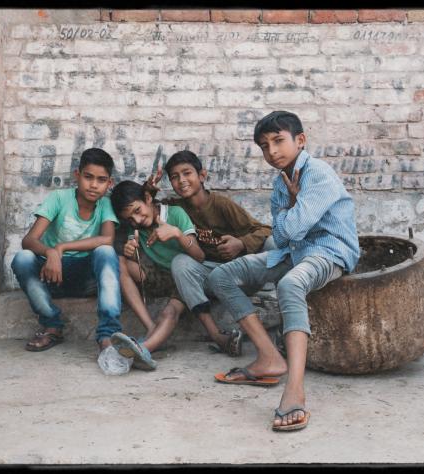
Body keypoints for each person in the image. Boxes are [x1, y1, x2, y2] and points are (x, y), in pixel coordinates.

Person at [206, 111, 360, 432]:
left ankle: (295, 389)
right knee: (220, 276)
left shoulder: (318, 174)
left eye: (278, 141)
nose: (271, 151)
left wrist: (291, 211)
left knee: (290, 284)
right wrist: (291, 212)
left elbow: (292, 227)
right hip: (293, 253)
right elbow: (280, 235)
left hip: (329, 252)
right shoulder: (280, 182)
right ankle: (269, 357)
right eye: (264, 146)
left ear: (300, 141)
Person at [144, 150, 274, 357]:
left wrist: (240, 243)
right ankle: (216, 334)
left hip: (238, 275)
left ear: (202, 176)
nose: (182, 181)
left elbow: (265, 230)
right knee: (181, 262)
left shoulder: (221, 204)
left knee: (274, 244)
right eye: (175, 177)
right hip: (207, 276)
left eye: (187, 173)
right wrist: (149, 190)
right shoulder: (176, 208)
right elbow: (144, 210)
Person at [11, 148, 122, 361]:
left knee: (106, 252)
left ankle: (108, 333)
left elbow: (107, 239)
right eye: (88, 177)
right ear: (77, 175)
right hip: (52, 275)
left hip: (87, 278)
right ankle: (52, 325)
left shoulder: (105, 204)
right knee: (22, 258)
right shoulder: (60, 198)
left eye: (101, 180)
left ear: (109, 184)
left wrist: (62, 248)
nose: (93, 185)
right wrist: (50, 252)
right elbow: (29, 240)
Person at [109, 180, 205, 371]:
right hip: (160, 277)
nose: (136, 220)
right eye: (129, 218)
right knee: (121, 262)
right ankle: (151, 328)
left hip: (184, 278)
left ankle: (144, 350)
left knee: (169, 312)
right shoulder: (135, 228)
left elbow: (200, 257)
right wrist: (130, 251)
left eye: (137, 211)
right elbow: (131, 254)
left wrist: (177, 234)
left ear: (147, 198)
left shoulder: (175, 214)